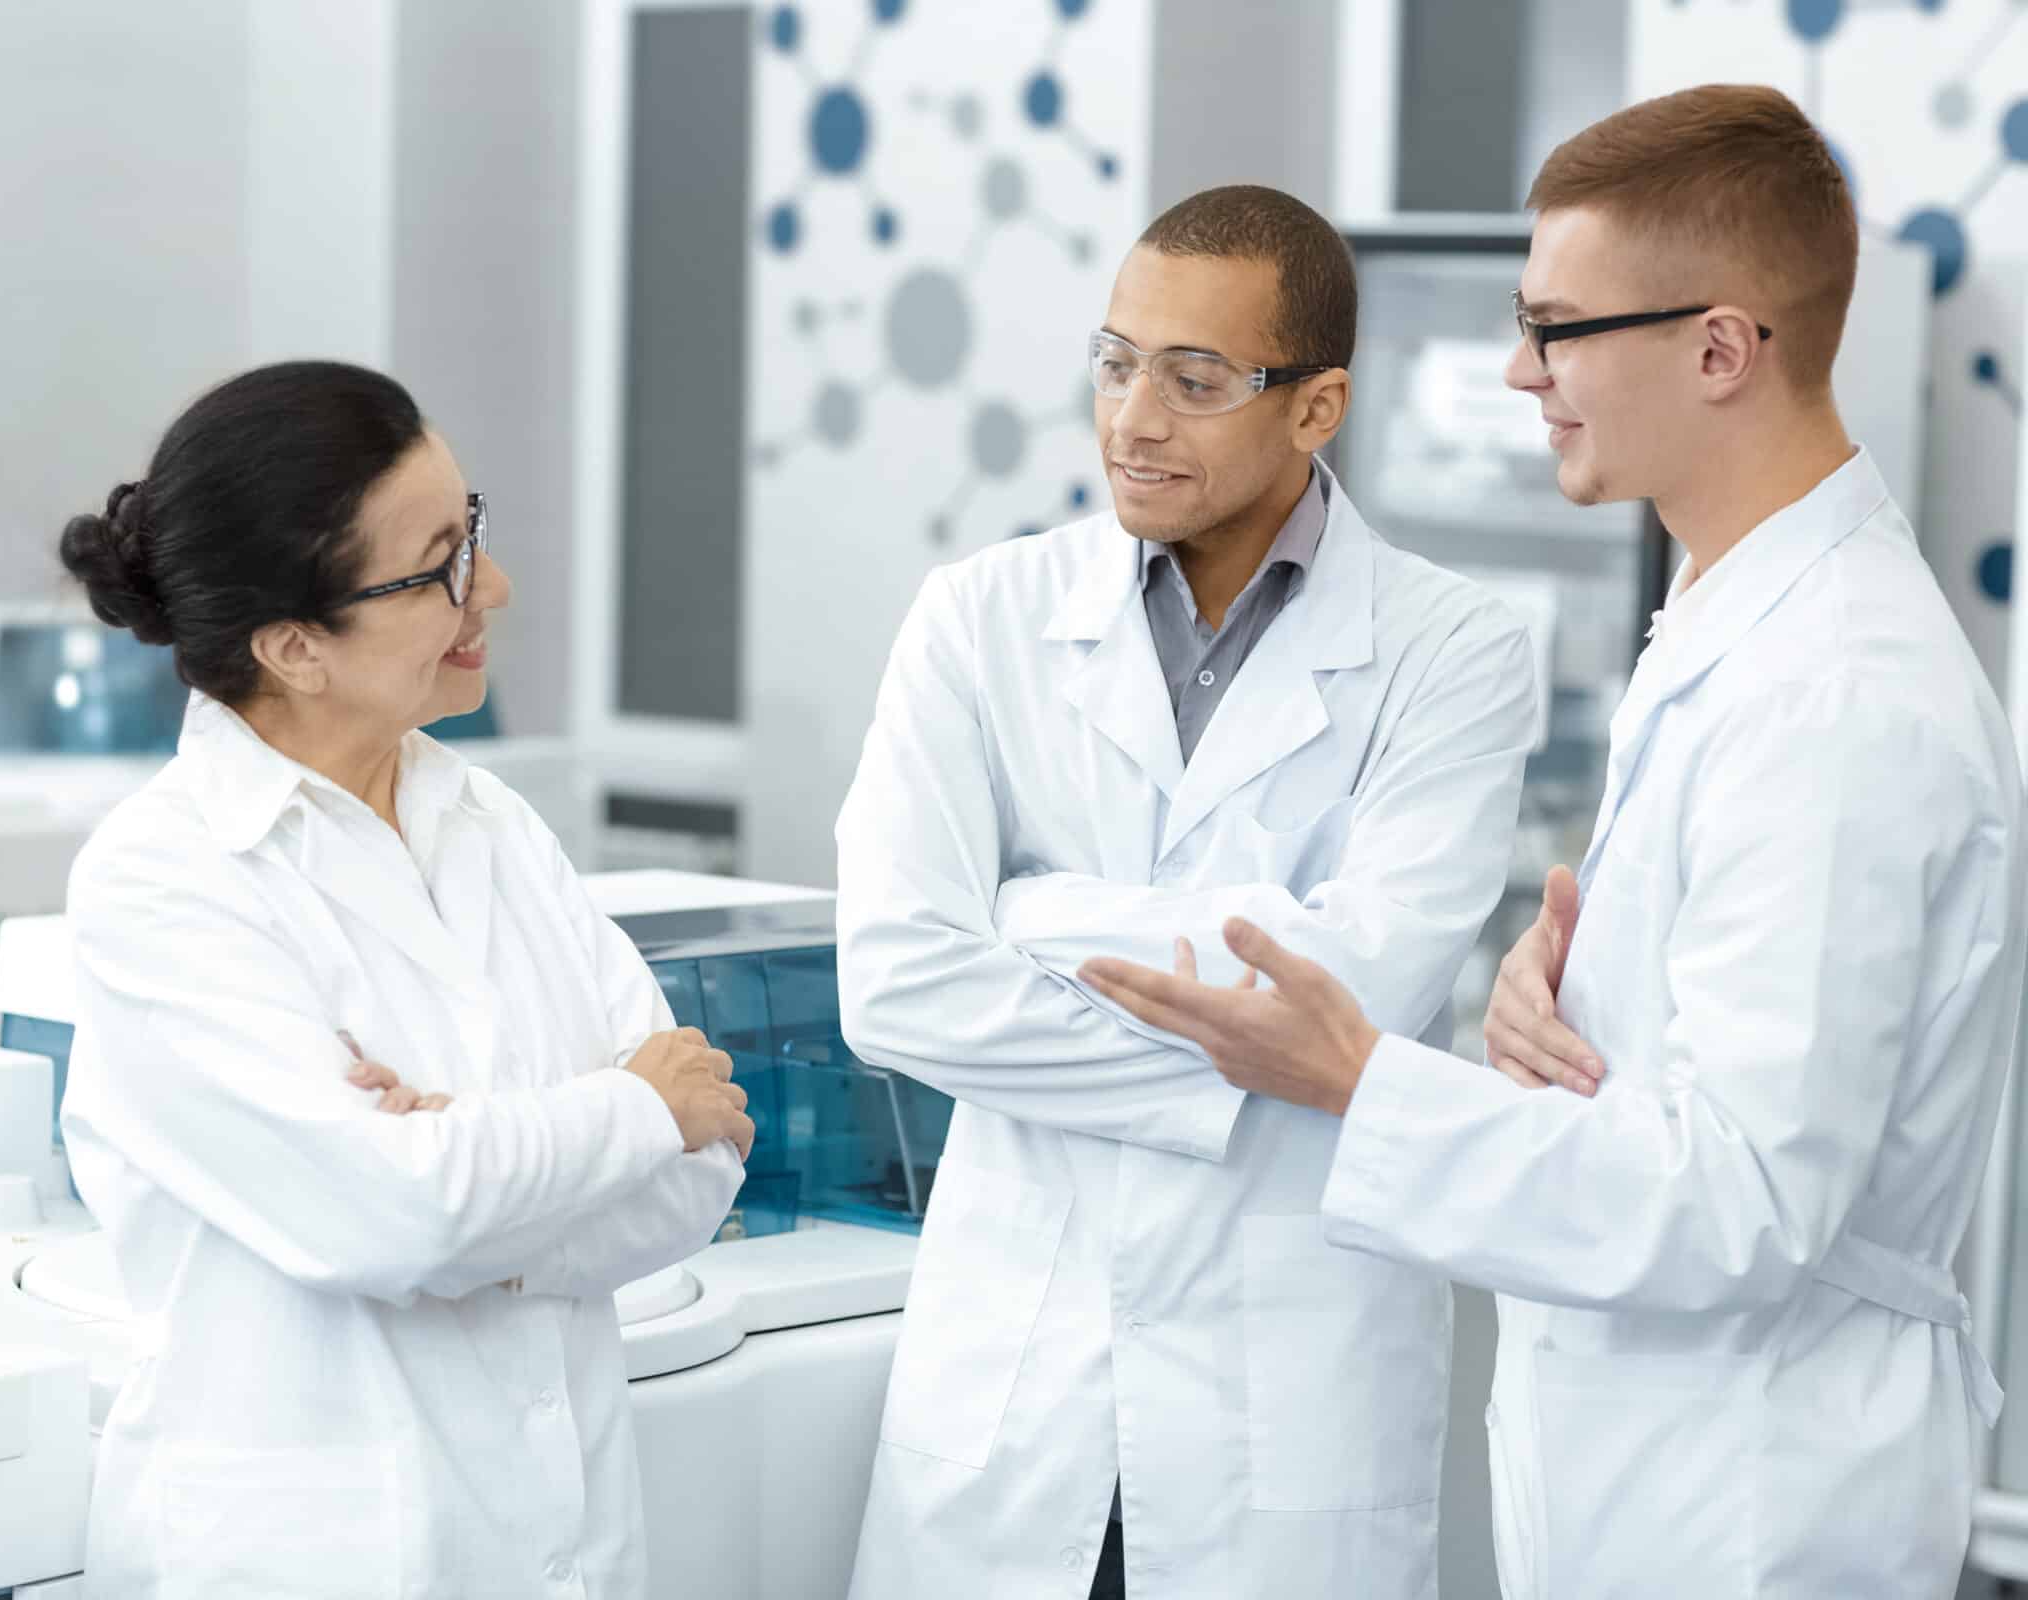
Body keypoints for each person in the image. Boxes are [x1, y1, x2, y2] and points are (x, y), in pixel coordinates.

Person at [1081, 86, 2024, 1600]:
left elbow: (1739, 1203)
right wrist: (1560, 1003)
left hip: (1752, 1501)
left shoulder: (1840, 693)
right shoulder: (1734, 617)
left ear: (1719, 348)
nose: (1520, 372)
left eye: (1559, 327)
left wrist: (1362, 1083)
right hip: (1660, 1465)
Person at [835, 186, 1539, 1598]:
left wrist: (1032, 917)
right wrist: (1241, 1018)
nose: (1133, 418)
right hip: (1018, 1382)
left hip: (1280, 1397)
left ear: (1317, 405)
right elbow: (898, 984)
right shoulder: (981, 617)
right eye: (1115, 362)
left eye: (1194, 379)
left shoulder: (1454, 648)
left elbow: (1356, 993)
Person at [54, 360, 753, 1598]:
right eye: (436, 564)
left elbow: (706, 1167)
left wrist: (470, 1181)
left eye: (469, 529)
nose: (491, 587)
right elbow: (398, 1210)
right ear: (292, 647)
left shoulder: (493, 822)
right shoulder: (163, 880)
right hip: (314, 1556)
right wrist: (627, 1110)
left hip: (562, 1538)